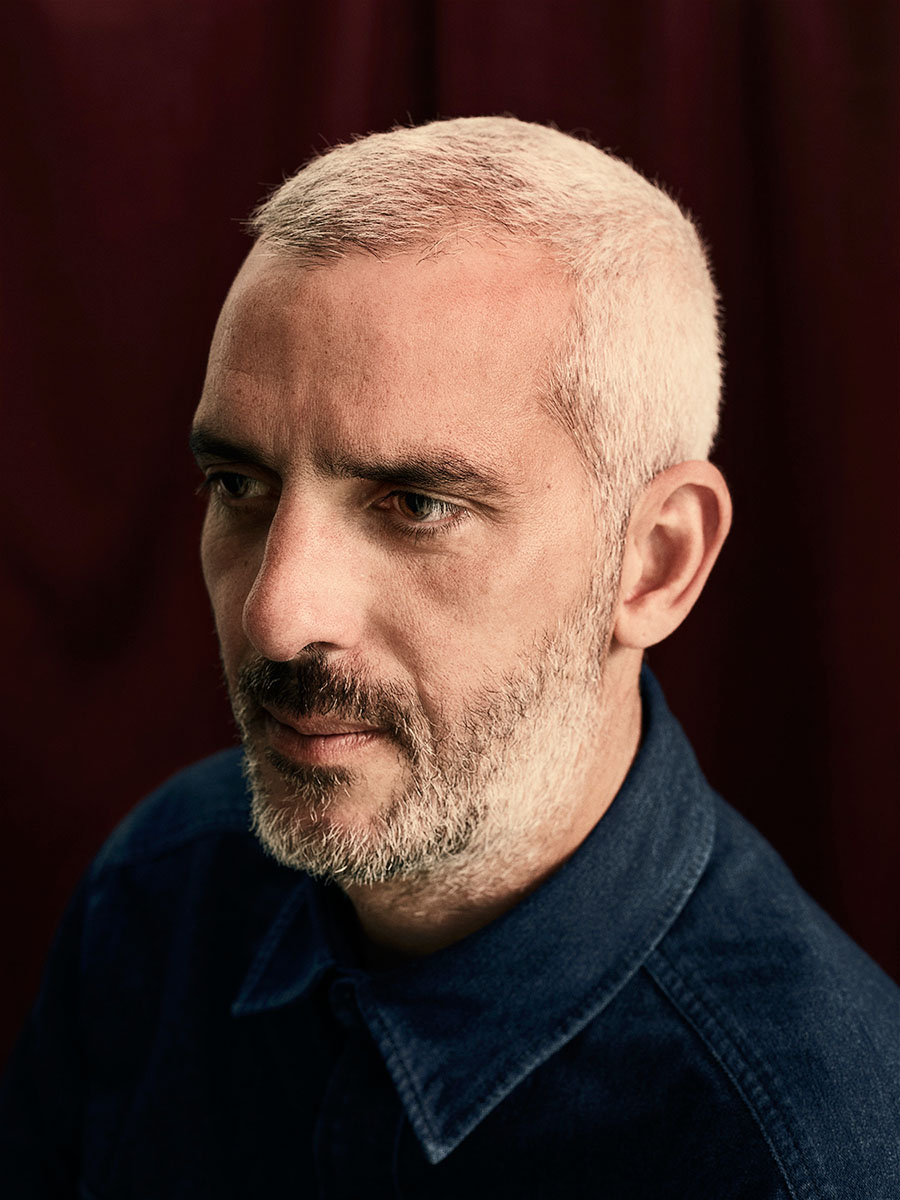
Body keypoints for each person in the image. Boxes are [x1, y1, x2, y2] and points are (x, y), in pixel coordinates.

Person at [2, 116, 897, 1198]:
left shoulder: (804, 1151)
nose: (277, 620)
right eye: (239, 486)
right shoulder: (161, 892)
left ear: (656, 562)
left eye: (414, 506)